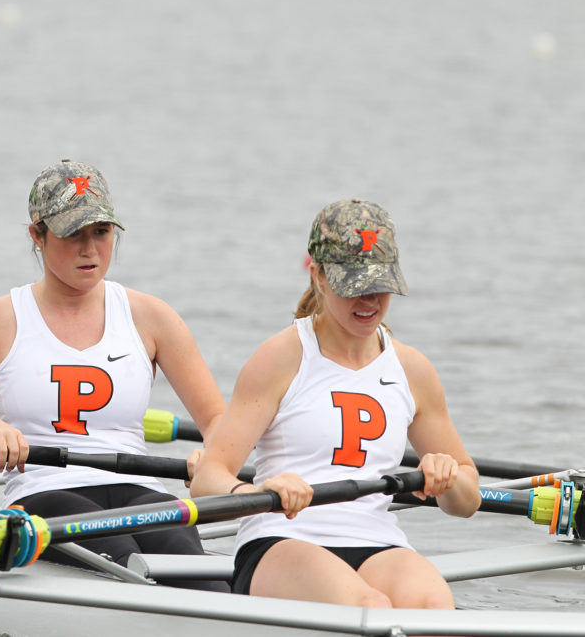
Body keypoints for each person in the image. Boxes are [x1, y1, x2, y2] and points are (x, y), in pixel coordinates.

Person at [0, 159, 228, 591]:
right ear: (37, 236)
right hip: (47, 495)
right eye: (72, 234)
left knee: (206, 583)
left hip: (142, 490)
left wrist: (213, 457)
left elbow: (221, 426)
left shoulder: (152, 317)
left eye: (100, 232)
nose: (90, 250)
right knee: (130, 573)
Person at [191, 198, 481, 608]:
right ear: (319, 276)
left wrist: (449, 478)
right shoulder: (281, 357)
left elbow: (468, 502)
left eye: (379, 285)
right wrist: (256, 488)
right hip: (282, 539)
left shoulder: (413, 370)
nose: (368, 301)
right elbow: (207, 481)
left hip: (377, 542)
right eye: (354, 286)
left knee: (434, 608)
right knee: (370, 610)